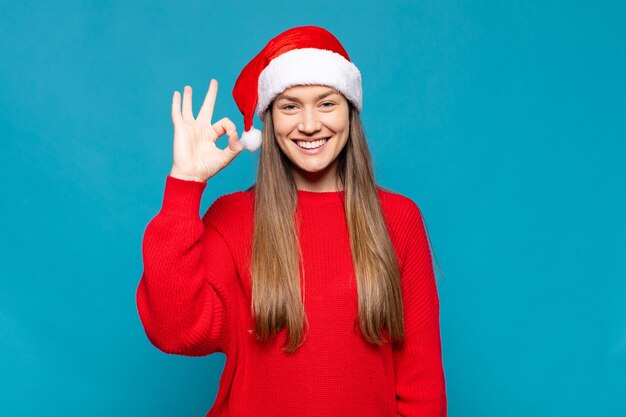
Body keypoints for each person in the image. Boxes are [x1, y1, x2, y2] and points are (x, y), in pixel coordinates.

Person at [136, 25, 447, 417]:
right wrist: (185, 184)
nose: (310, 124)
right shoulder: (234, 218)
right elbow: (174, 329)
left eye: (327, 103)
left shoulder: (399, 219)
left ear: (351, 111)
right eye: (290, 106)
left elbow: (422, 386)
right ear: (269, 119)